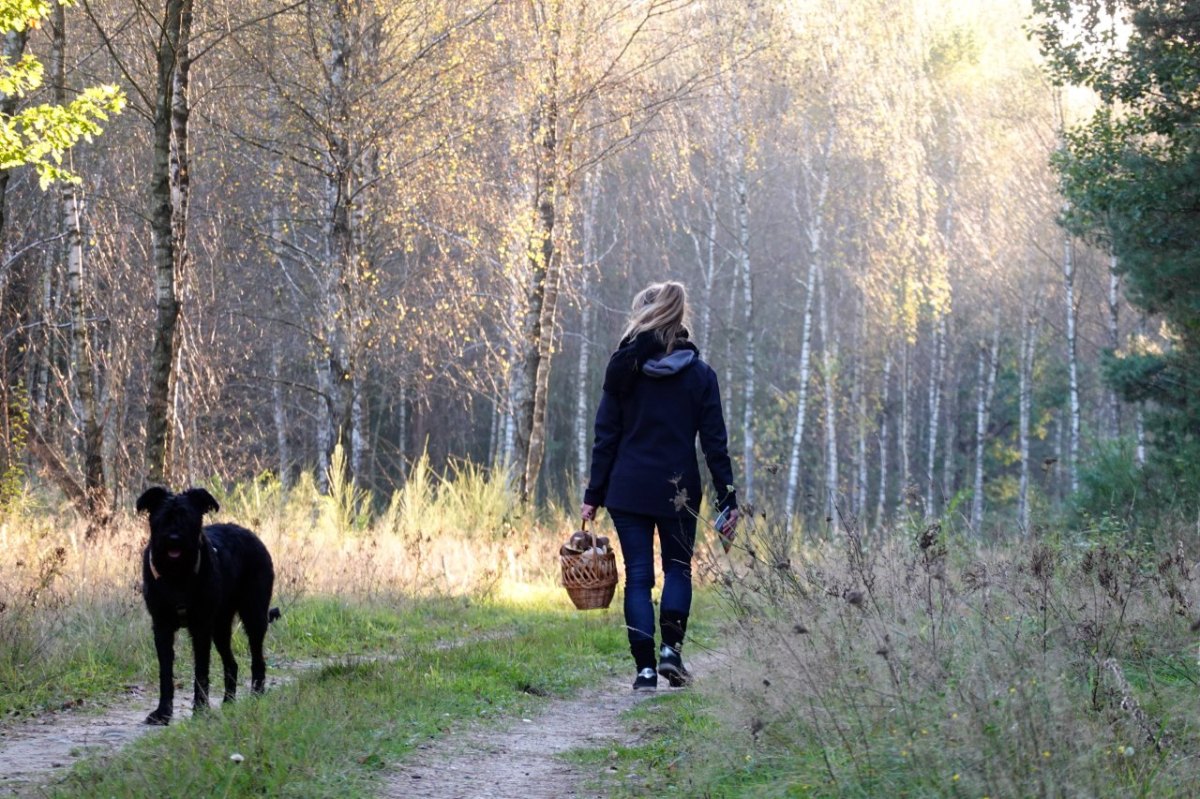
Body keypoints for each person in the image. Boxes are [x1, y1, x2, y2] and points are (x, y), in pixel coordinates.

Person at [581, 280, 739, 690]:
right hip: (678, 490)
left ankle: (645, 671)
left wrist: (592, 496)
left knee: (638, 577)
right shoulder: (701, 375)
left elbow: (606, 437)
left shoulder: (624, 370)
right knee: (677, 569)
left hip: (627, 488)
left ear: (645, 315)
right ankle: (671, 653)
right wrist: (728, 498)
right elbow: (715, 444)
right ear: (679, 317)